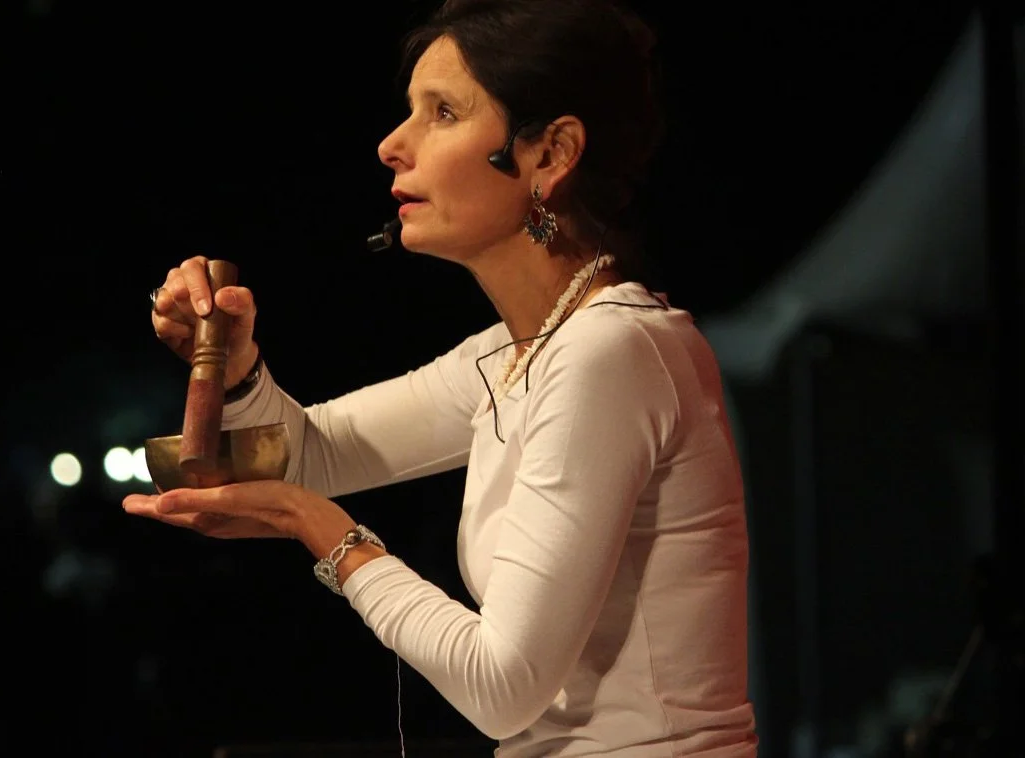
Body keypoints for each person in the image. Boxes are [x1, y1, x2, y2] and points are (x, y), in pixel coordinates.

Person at [123, 0, 758, 754]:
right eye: (408, 112)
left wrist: (317, 527)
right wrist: (233, 369)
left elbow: (503, 685)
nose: (393, 145)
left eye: (444, 113)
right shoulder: (512, 355)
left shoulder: (607, 353)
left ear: (550, 155)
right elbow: (304, 455)